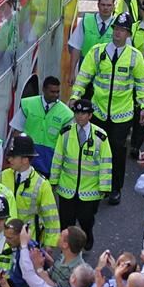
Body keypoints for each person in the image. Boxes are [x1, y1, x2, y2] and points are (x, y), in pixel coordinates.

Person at [70, 13, 144, 204]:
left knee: (116, 151)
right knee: (95, 149)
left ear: (128, 34)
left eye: (122, 30)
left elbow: (142, 83)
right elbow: (84, 75)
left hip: (121, 114)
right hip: (98, 111)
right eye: (116, 29)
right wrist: (75, 95)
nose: (117, 33)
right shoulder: (98, 52)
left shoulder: (134, 57)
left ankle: (115, 188)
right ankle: (96, 185)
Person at [50, 100, 112, 250]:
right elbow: (58, 157)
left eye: (83, 113)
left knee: (86, 219)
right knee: (66, 220)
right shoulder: (65, 133)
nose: (79, 116)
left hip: (89, 189)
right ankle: (69, 247)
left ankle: (87, 235)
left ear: (90, 115)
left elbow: (105, 162)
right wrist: (54, 180)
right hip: (67, 186)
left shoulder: (100, 136)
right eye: (77, 113)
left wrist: (104, 186)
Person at [0, 134, 60, 247]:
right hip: (4, 239)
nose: (9, 159)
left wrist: (50, 244)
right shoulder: (3, 176)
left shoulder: (41, 184)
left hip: (28, 242)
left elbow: (51, 216)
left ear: (25, 160)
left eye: (14, 156)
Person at [8, 76, 72, 176]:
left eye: (57, 92)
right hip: (26, 158)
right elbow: (17, 131)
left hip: (49, 161)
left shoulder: (66, 114)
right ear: (44, 89)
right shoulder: (28, 104)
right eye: (52, 92)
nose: (55, 95)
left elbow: (66, 142)